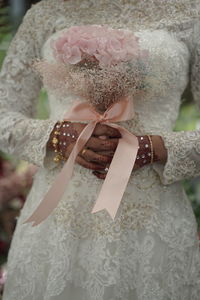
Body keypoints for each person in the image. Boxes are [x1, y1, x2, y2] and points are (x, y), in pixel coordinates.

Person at [1, 0, 200, 299]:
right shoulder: (46, 13)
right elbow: (4, 115)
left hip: (152, 225)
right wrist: (59, 136)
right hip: (59, 225)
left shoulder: (190, 13)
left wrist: (154, 147)